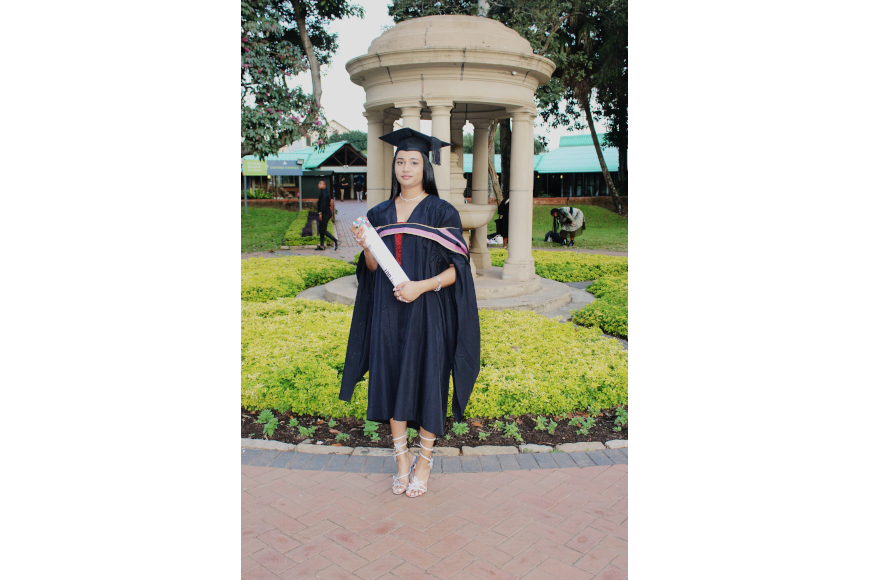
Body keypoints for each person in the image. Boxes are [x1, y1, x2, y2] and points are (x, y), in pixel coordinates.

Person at [341, 128, 480, 499]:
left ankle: (425, 462)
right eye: (400, 161)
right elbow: (372, 270)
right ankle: (402, 459)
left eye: (413, 162)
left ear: (425, 167)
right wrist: (367, 248)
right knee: (391, 378)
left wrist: (422, 286)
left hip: (428, 312)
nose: (406, 168)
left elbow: (458, 271)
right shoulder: (379, 214)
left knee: (429, 380)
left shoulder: (441, 212)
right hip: (387, 313)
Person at [316, 180, 340, 251]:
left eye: (320, 184)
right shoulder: (324, 192)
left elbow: (323, 204)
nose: (319, 185)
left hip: (325, 213)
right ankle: (321, 245)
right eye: (319, 183)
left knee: (323, 230)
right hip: (325, 212)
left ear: (324, 185)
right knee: (321, 229)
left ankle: (336, 241)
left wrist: (320, 213)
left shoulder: (324, 193)